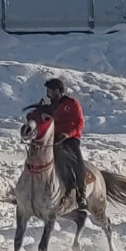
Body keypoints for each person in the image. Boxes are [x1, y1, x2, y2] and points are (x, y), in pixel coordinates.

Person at [37, 78, 89, 212]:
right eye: (47, 91)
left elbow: (80, 123)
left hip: (69, 138)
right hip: (53, 139)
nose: (47, 94)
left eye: (49, 91)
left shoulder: (72, 103)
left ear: (57, 91)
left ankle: (80, 193)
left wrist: (68, 134)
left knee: (76, 162)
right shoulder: (49, 108)